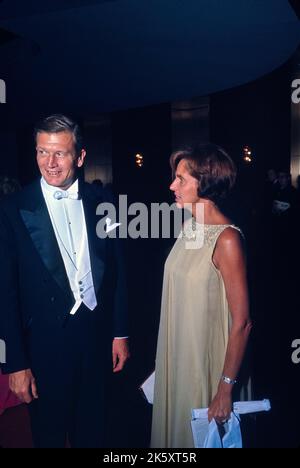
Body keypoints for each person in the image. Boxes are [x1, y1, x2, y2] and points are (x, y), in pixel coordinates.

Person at [0, 114, 130, 448]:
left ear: (81, 157)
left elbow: (117, 271)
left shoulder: (104, 203)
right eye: (42, 152)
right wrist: (15, 363)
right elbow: (5, 292)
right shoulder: (12, 209)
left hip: (95, 338)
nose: (50, 163)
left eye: (60, 153)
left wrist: (120, 332)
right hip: (43, 345)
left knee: (95, 431)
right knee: (49, 436)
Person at [151, 144, 252, 448]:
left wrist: (224, 389)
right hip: (179, 359)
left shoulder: (228, 239)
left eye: (181, 179)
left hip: (209, 367)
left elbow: (242, 323)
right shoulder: (189, 228)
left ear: (205, 182)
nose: (172, 186)